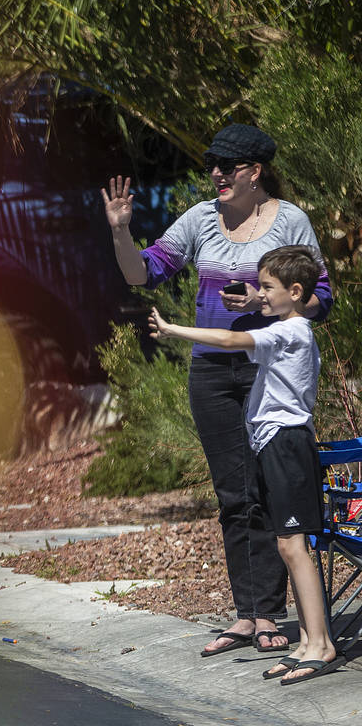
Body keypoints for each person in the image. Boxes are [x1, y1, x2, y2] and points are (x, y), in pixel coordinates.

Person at [101, 124, 333, 656]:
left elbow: (321, 297)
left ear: (255, 171)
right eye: (214, 164)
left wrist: (262, 305)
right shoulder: (201, 218)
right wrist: (120, 231)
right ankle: (248, 615)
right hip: (210, 373)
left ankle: (274, 614)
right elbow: (144, 272)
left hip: (263, 370)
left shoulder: (290, 220)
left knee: (266, 490)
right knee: (234, 495)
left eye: (228, 166)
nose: (217, 174)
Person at [149, 246, 342, 684]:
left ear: (295, 292)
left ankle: (322, 645)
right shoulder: (283, 328)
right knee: (286, 545)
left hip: (287, 445)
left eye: (268, 288)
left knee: (295, 546)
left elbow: (234, 340)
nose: (261, 295)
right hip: (274, 445)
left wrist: (175, 329)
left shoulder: (293, 330)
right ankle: (308, 640)